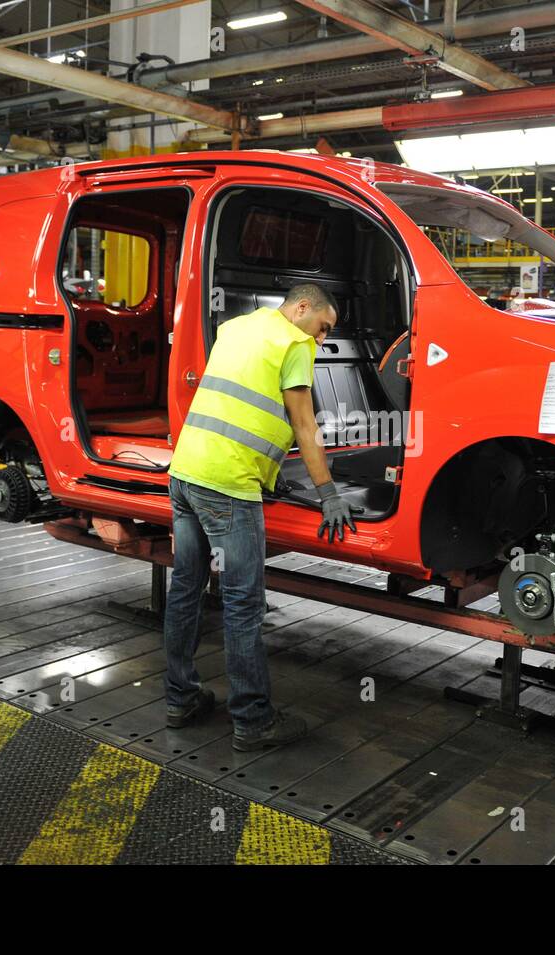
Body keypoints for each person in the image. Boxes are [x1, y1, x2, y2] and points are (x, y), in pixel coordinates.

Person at [162, 283, 356, 752]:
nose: (323, 339)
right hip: (228, 485)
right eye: (323, 327)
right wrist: (328, 493)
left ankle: (180, 699)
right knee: (243, 603)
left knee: (186, 590)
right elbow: (305, 426)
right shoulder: (294, 344)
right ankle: (252, 720)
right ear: (303, 308)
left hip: (185, 472)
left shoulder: (236, 327)